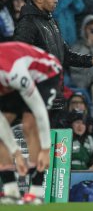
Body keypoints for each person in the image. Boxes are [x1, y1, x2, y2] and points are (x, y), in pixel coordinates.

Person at [12, 0, 93, 128]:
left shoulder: (51, 22)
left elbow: (65, 55)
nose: (56, 0)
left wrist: (91, 60)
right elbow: (18, 58)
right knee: (39, 146)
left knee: (57, 145)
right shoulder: (27, 24)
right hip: (37, 97)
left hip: (54, 95)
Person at [0, 42, 62, 204]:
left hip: (45, 74)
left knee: (29, 124)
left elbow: (40, 111)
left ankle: (36, 192)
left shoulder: (13, 72)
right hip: (10, 80)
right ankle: (11, 192)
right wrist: (16, 153)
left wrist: (46, 149)